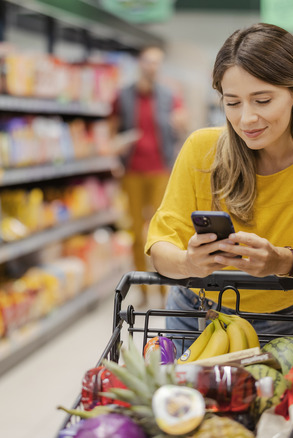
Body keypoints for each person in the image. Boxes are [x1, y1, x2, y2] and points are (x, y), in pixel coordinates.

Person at [144, 23, 293, 354]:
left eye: (262, 100)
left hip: (280, 322)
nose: (246, 119)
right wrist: (189, 263)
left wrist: (280, 261)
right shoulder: (202, 149)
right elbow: (160, 247)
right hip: (193, 315)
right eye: (233, 103)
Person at [112, 45, 188, 306]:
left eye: (157, 62)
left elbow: (181, 124)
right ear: (139, 64)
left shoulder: (169, 95)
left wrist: (180, 124)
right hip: (132, 171)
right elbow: (112, 129)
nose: (152, 67)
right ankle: (142, 290)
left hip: (160, 171)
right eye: (148, 62)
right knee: (135, 231)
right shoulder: (123, 95)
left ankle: (165, 290)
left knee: (162, 233)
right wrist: (115, 147)